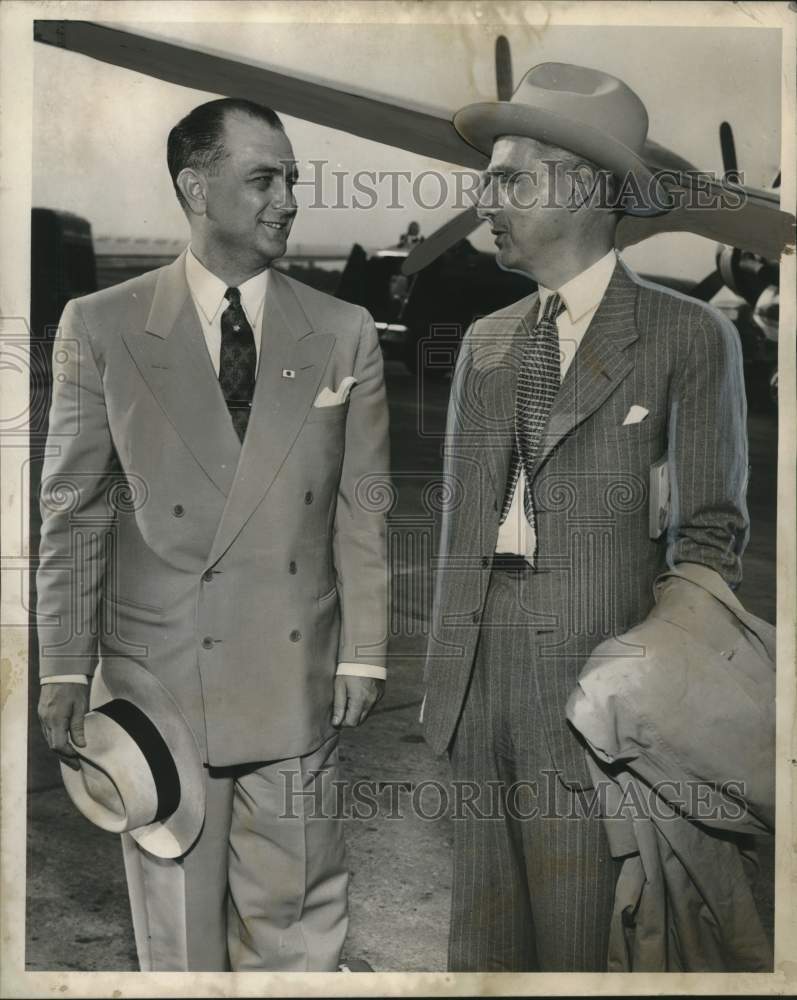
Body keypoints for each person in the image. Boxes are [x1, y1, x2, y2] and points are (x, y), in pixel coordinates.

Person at [36, 97, 390, 972]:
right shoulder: (102, 323)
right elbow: (71, 511)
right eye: (263, 178)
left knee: (300, 928)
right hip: (158, 688)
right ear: (196, 187)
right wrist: (61, 664)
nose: (287, 201)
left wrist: (364, 654)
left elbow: (363, 507)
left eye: (291, 180)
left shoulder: (343, 331)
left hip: (296, 679)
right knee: (177, 941)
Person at [422, 63, 749, 971]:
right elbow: (459, 526)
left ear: (586, 189)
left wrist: (641, 691)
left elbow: (711, 536)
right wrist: (446, 690)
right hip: (477, 682)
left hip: (598, 696)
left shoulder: (688, 335)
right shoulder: (484, 345)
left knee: (581, 947)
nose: (482, 195)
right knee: (482, 950)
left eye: (509, 176)